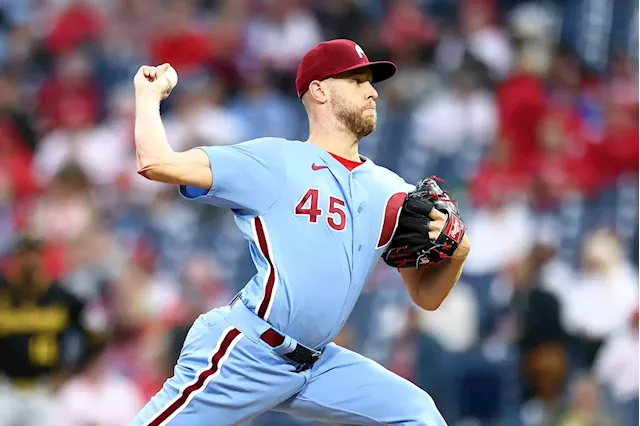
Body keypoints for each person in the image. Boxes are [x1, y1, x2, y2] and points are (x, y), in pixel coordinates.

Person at [130, 39, 471, 425]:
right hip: (250, 350)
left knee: (418, 414)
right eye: (357, 80)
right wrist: (148, 94)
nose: (372, 91)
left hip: (318, 364)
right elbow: (156, 162)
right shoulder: (276, 161)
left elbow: (425, 296)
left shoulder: (393, 191)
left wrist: (458, 252)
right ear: (320, 89)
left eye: (371, 82)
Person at [0, 235, 106, 426]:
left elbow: (97, 334)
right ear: (15, 260)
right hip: (5, 388)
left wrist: (72, 371)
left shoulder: (60, 297)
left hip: (44, 390)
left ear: (43, 259)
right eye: (24, 256)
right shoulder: (3, 292)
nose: (29, 262)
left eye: (34, 256)